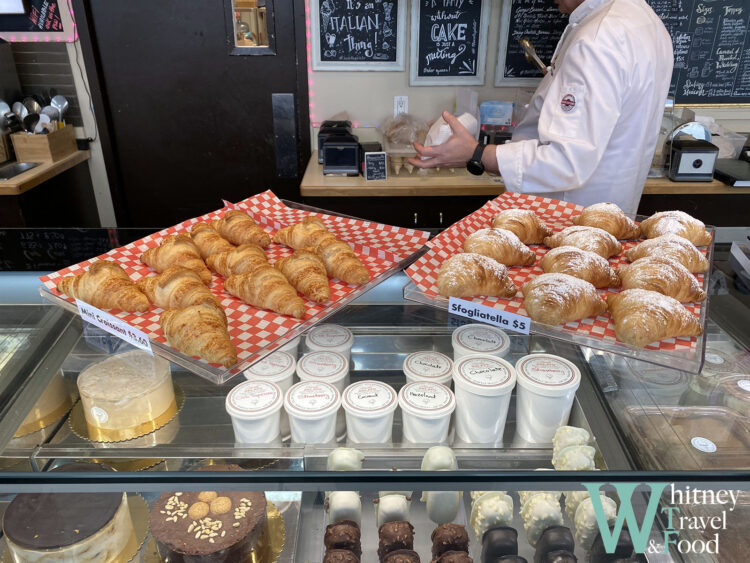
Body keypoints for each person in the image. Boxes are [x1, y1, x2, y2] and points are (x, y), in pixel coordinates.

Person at [409, 0, 673, 215]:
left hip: (570, 221)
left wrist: (476, 154)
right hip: (609, 214)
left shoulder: (598, 39)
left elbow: (565, 160)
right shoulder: (647, 22)